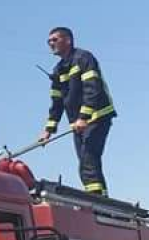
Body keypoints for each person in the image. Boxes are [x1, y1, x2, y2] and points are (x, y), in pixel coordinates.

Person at [40, 26, 117, 196]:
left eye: (55, 39)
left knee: (88, 159)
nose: (51, 44)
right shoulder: (58, 70)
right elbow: (57, 103)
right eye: (48, 41)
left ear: (68, 40)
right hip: (79, 124)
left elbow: (93, 88)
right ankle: (99, 196)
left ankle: (97, 199)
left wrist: (83, 117)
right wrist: (48, 130)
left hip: (97, 117)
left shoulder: (83, 58)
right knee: (85, 160)